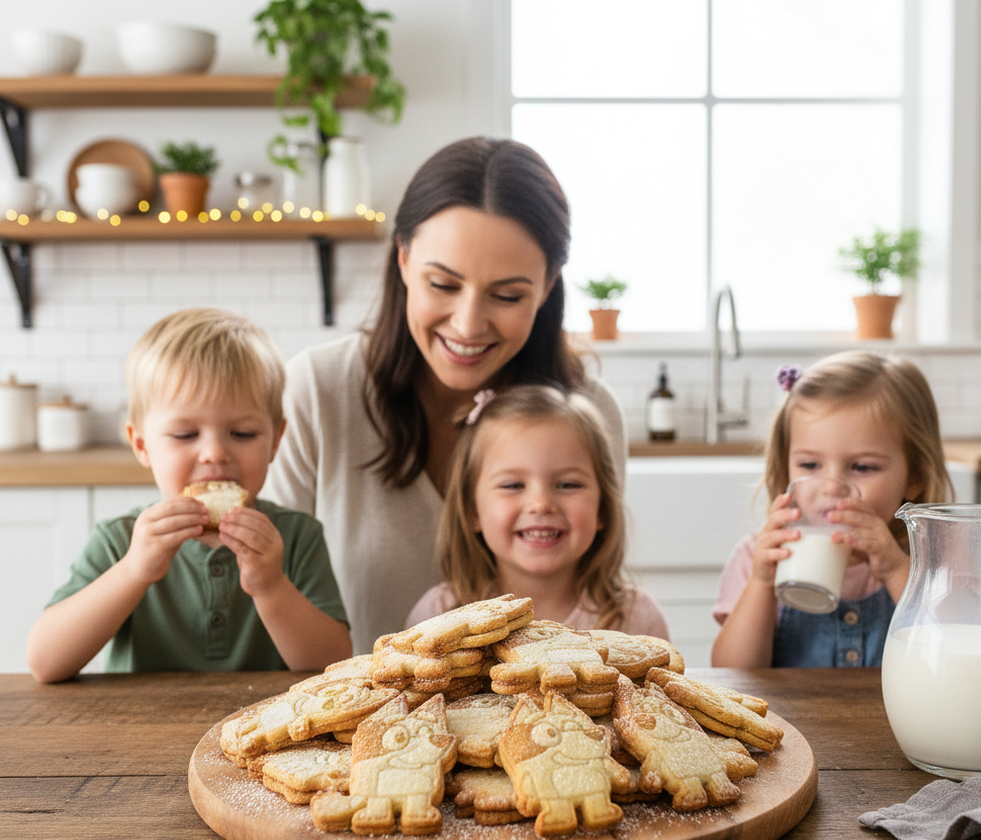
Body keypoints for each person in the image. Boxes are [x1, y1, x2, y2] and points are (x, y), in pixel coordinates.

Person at [263, 137, 627, 652]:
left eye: (507, 295)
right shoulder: (316, 392)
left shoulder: (589, 411)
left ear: (547, 288)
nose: (469, 323)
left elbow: (596, 593)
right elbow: (267, 593)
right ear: (404, 260)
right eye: (443, 284)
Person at [25, 309, 352, 683]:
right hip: (139, 729)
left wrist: (271, 585)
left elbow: (333, 665)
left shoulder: (295, 537)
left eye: (243, 433)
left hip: (265, 734)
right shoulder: (120, 539)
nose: (215, 453)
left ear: (275, 442)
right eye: (185, 435)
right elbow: (44, 662)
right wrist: (134, 570)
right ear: (142, 445)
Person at [711, 351, 953, 669]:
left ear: (915, 476)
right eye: (810, 464)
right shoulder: (756, 556)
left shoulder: (937, 562)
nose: (832, 486)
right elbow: (731, 674)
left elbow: (954, 656)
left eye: (863, 467)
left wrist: (895, 569)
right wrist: (762, 582)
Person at [406, 385, 669, 637]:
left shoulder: (638, 619)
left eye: (568, 484)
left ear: (602, 508)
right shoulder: (437, 617)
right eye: (512, 485)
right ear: (473, 510)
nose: (541, 503)